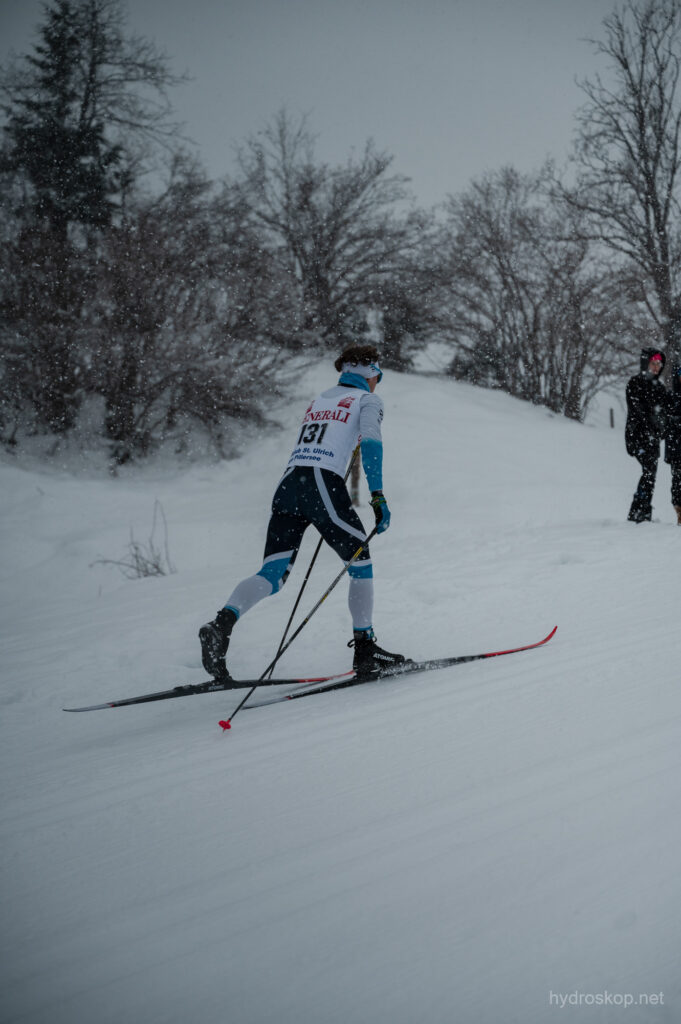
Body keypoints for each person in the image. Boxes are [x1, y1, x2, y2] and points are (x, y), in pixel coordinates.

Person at [199, 344, 407, 681]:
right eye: (378, 377)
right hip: (321, 483)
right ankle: (366, 649)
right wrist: (378, 497)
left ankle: (221, 624)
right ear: (370, 373)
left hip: (289, 484)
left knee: (273, 573)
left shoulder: (321, 398)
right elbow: (371, 443)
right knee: (360, 561)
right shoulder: (368, 400)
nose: (377, 384)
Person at [625, 348, 667, 522]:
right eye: (653, 363)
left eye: (659, 364)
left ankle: (641, 510)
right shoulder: (635, 383)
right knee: (649, 472)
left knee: (651, 474)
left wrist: (660, 428)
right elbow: (637, 411)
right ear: (646, 363)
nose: (656, 367)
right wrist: (652, 420)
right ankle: (639, 510)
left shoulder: (660, 388)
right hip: (638, 436)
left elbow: (664, 413)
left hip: (653, 438)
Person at [664, 364, 681, 525]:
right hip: (676, 449)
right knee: (677, 481)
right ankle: (679, 513)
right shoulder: (670, 397)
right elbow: (665, 423)